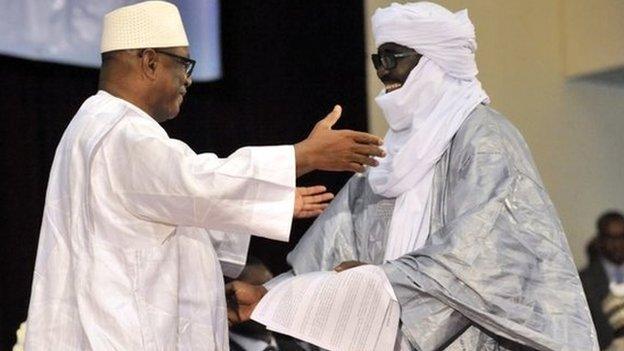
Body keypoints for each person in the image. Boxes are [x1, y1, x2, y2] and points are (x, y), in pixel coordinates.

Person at [226, 2, 598, 350]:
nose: (382, 71)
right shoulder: (389, 155)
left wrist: (378, 281)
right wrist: (267, 299)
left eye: (392, 58)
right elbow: (329, 259)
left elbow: (481, 261)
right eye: (377, 59)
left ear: (434, 63)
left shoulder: (486, 139)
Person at [23, 1, 385, 350]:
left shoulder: (96, 125)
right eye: (184, 64)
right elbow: (196, 181)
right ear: (150, 62)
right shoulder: (120, 132)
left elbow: (176, 207)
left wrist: (262, 201)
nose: (188, 80)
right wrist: (302, 156)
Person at [580, 211, 624, 349]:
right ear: (600, 240)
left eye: (622, 237)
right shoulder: (585, 281)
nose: (618, 245)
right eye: (611, 238)